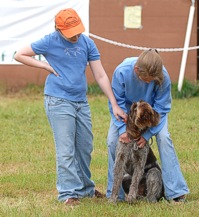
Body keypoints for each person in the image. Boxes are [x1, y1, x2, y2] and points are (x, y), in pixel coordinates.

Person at [14, 8, 126, 206]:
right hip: (58, 101)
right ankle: (68, 194)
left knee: (85, 147)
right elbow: (19, 54)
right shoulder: (50, 40)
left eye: (77, 30)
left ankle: (85, 190)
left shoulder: (87, 43)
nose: (75, 35)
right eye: (70, 31)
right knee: (66, 150)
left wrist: (115, 104)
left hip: (81, 102)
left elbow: (100, 75)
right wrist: (45, 66)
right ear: (59, 29)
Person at [106, 49, 189, 203]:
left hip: (152, 113)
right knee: (112, 140)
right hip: (126, 112)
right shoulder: (121, 72)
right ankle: (115, 193)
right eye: (147, 79)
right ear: (136, 70)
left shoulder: (162, 76)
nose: (150, 83)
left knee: (164, 138)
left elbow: (162, 108)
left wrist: (147, 135)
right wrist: (123, 129)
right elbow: (116, 103)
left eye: (153, 80)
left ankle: (176, 191)